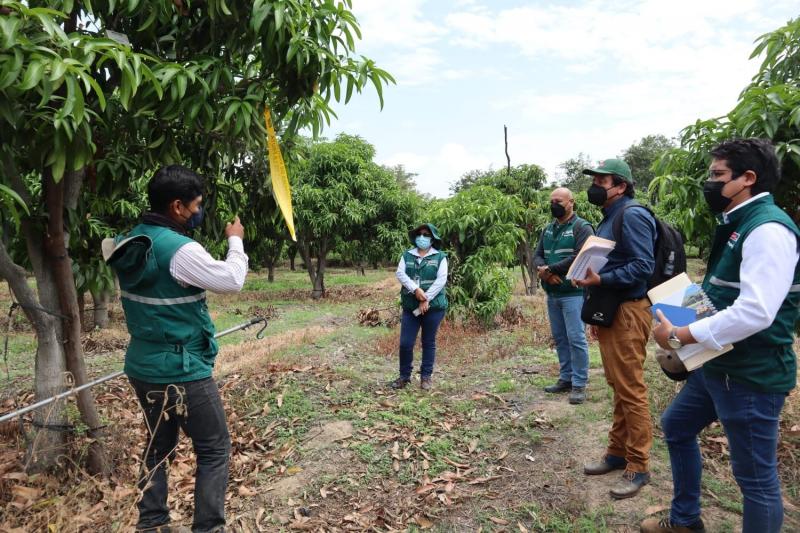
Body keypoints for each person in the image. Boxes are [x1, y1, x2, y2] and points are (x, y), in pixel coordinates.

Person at [642, 139, 799, 533]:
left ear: (748, 178)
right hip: (718, 365)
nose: (709, 183)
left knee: (756, 481)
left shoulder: (767, 230)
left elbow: (756, 311)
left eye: (717, 175)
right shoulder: (737, 223)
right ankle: (685, 521)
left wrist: (681, 331)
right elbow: (727, 294)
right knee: (676, 426)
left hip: (749, 374)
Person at [104, 165, 248, 533]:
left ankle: (152, 524)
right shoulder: (181, 249)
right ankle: (208, 528)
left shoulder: (135, 240)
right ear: (178, 206)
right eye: (196, 205)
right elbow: (231, 280)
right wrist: (235, 240)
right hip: (181, 369)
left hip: (142, 365)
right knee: (215, 449)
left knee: (158, 448)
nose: (200, 212)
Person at [574, 158, 656, 499]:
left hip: (628, 311)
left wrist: (601, 279)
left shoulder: (632, 214)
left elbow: (642, 265)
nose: (595, 186)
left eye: (602, 180)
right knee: (618, 384)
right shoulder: (609, 217)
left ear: (620, 186)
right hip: (612, 311)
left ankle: (638, 465)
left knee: (630, 388)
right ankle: (617, 452)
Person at [533, 187, 594, 404]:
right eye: (551, 201)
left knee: (576, 338)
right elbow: (537, 255)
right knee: (560, 338)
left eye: (558, 200)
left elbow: (581, 257)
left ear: (571, 202)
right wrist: (546, 274)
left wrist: (551, 270)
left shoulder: (582, 227)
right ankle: (565, 378)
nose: (554, 204)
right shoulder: (548, 229)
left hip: (574, 293)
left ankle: (579, 383)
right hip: (553, 293)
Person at [392, 223, 448, 391]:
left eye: (426, 234)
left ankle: (426, 378)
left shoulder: (440, 257)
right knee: (405, 343)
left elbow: (441, 279)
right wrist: (415, 290)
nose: (422, 237)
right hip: (410, 307)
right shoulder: (407, 255)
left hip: (434, 308)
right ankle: (404, 377)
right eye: (419, 234)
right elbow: (400, 273)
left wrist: (426, 298)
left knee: (428, 342)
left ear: (432, 239)